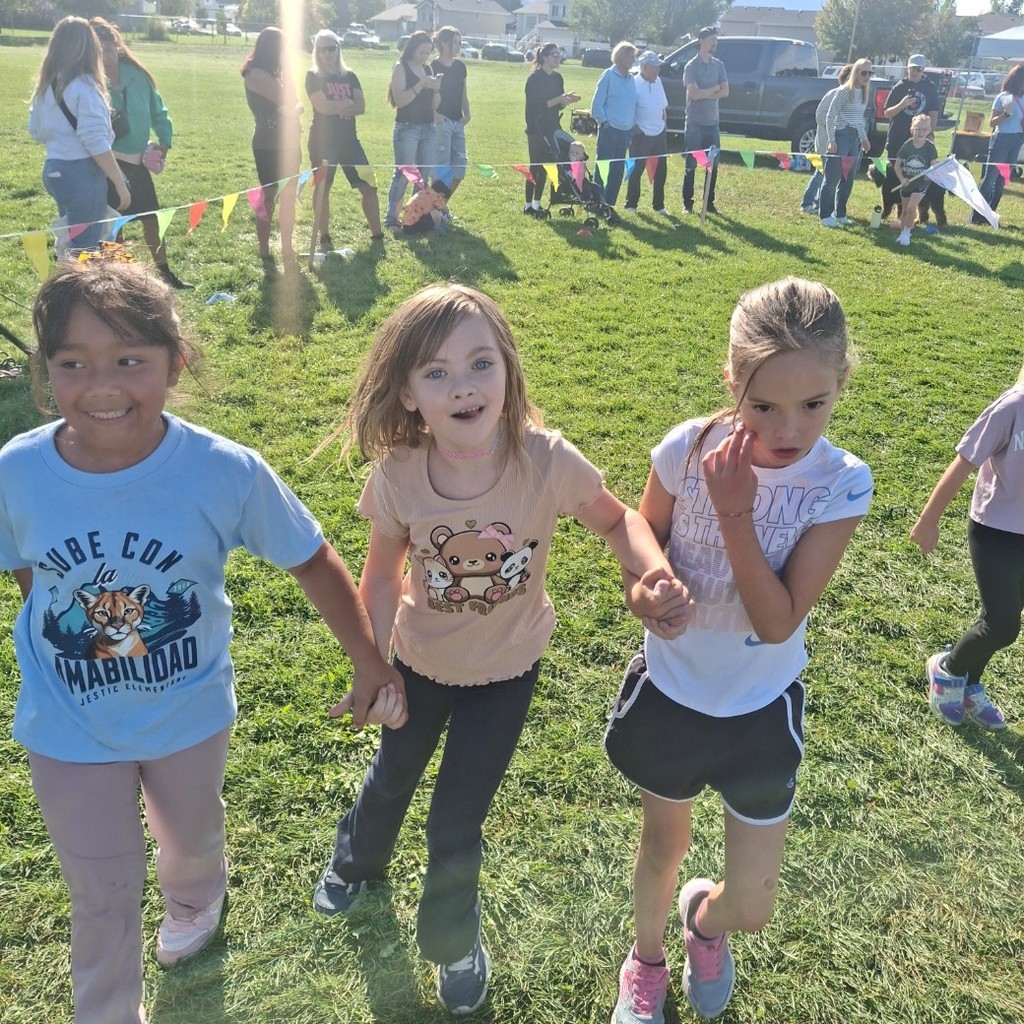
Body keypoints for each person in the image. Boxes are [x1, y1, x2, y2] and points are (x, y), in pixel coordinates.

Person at [0, 258, 405, 1024]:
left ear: (175, 362)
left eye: (130, 360)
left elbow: (311, 557)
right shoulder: (16, 471)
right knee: (102, 895)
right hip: (67, 728)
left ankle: (195, 899)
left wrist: (366, 659)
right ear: (43, 370)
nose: (102, 386)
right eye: (72, 364)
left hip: (188, 715)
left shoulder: (221, 470)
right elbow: (28, 567)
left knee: (190, 840)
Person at [311, 283, 690, 1016]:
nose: (464, 387)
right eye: (437, 372)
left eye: (481, 363)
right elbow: (381, 576)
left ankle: (454, 945)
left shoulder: (546, 461)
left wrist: (653, 567)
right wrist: (375, 663)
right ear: (409, 394)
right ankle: (356, 860)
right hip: (418, 666)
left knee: (455, 820)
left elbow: (618, 523)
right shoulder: (397, 477)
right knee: (391, 779)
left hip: (507, 674)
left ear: (509, 371)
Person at [606, 277, 872, 1024]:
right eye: (763, 407)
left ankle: (705, 925)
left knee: (752, 905)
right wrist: (645, 591)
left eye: (813, 404)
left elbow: (779, 619)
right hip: (673, 693)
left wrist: (733, 512)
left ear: (841, 381)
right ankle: (647, 959)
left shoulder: (841, 482)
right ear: (731, 382)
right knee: (664, 845)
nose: (788, 427)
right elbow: (641, 541)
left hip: (761, 707)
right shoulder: (686, 447)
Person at [910, 375, 1024, 731]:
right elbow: (964, 462)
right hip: (997, 531)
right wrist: (929, 520)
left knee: (1003, 616)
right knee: (1003, 625)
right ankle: (948, 670)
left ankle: (971, 681)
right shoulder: (1012, 407)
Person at [89, 18, 191, 289]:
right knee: (114, 225)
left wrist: (164, 143)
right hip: (108, 163)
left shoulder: (138, 76)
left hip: (137, 162)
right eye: (97, 51)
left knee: (151, 219)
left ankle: (164, 272)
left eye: (108, 48)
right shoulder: (90, 82)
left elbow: (159, 112)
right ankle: (117, 278)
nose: (105, 55)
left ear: (117, 46)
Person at [28, 16, 131, 254]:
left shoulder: (46, 87)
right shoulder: (84, 88)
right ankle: (71, 290)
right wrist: (119, 181)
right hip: (81, 173)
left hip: (54, 169)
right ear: (90, 48)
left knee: (70, 240)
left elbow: (35, 130)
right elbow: (95, 141)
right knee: (85, 248)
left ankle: (63, 285)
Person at [305, 29, 383, 250]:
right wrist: (345, 103)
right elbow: (322, 107)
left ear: (338, 48)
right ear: (317, 52)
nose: (327, 53)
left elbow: (361, 107)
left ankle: (377, 235)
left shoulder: (350, 76)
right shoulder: (313, 76)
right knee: (323, 188)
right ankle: (324, 235)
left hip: (350, 142)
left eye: (331, 48)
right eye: (322, 49)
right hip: (322, 141)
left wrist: (335, 105)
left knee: (369, 186)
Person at [241, 27, 302, 273]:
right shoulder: (255, 74)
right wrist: (293, 109)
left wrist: (294, 109)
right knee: (268, 199)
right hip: (267, 145)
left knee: (289, 198)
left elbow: (295, 100)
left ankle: (287, 247)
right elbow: (288, 99)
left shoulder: (276, 74)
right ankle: (264, 249)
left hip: (289, 145)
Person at [384, 32, 440, 229]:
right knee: (404, 174)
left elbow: (435, 105)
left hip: (428, 127)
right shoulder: (401, 67)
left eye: (428, 53)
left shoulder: (428, 68)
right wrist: (421, 84)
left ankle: (414, 218)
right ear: (412, 48)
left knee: (424, 176)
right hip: (407, 127)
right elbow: (400, 100)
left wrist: (436, 89)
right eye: (421, 52)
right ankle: (392, 218)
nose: (424, 57)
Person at [882, 54, 939, 226]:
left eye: (918, 69)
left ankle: (916, 214)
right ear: (907, 68)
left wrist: (930, 134)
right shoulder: (899, 87)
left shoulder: (929, 87)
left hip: (920, 141)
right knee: (898, 178)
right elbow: (886, 113)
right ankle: (900, 215)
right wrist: (901, 104)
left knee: (916, 177)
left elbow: (934, 112)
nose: (914, 72)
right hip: (897, 139)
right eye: (912, 68)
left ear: (923, 70)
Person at [523, 43, 578, 216]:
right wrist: (558, 99)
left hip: (553, 126)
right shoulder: (534, 79)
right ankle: (527, 205)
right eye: (554, 54)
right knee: (535, 167)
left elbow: (557, 105)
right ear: (544, 57)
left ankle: (537, 204)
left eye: (560, 53)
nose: (558, 57)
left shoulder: (557, 78)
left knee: (548, 166)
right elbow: (538, 105)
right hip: (536, 127)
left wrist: (564, 101)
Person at [819, 57, 872, 228]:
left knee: (848, 178)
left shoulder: (864, 93)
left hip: (854, 138)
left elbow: (858, 119)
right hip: (840, 135)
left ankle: (840, 212)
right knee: (833, 177)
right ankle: (825, 214)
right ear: (856, 73)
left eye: (870, 73)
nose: (867, 76)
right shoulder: (843, 91)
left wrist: (864, 138)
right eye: (864, 73)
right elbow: (830, 116)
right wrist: (831, 140)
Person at [682, 27, 728, 215]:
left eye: (716, 39)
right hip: (694, 123)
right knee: (691, 165)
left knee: (713, 165)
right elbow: (694, 94)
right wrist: (714, 89)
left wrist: (706, 91)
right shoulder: (691, 66)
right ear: (701, 40)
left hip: (713, 123)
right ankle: (687, 204)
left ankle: (709, 203)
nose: (714, 43)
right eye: (711, 39)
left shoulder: (719, 65)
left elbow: (725, 92)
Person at [973, 64, 1024, 225]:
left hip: (1017, 140)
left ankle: (990, 216)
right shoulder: (1003, 97)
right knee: (990, 179)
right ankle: (977, 216)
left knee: (1003, 180)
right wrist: (1005, 115)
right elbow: (992, 122)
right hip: (1001, 140)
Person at [591, 41, 638, 206]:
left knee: (618, 169)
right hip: (609, 130)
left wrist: (631, 126)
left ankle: (609, 203)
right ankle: (597, 201)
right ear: (621, 57)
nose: (633, 60)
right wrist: (604, 123)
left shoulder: (632, 79)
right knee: (603, 167)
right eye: (631, 57)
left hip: (626, 131)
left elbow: (632, 104)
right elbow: (596, 105)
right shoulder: (608, 76)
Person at [800, 64, 852, 215]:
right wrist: (837, 124)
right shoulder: (834, 94)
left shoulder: (853, 97)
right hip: (826, 141)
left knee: (828, 175)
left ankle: (818, 203)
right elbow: (820, 115)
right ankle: (807, 202)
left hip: (841, 143)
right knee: (821, 173)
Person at [624, 51, 670, 216]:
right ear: (643, 67)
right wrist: (635, 127)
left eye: (658, 67)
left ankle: (659, 205)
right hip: (641, 133)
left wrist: (664, 123)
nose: (658, 70)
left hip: (659, 133)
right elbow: (628, 108)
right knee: (637, 169)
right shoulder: (633, 83)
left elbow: (663, 106)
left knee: (661, 170)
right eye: (654, 67)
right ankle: (631, 204)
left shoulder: (658, 82)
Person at [431, 26, 471, 201]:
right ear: (443, 43)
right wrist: (434, 114)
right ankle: (435, 209)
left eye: (459, 42)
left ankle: (440, 205)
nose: (458, 46)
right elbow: (427, 96)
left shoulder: (461, 67)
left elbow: (463, 93)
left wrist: (467, 114)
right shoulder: (432, 66)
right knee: (442, 168)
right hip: (441, 123)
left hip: (458, 122)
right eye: (455, 42)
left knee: (460, 167)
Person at [894, 114, 939, 246]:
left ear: (929, 130)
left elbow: (933, 165)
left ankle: (907, 234)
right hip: (907, 182)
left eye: (925, 129)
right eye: (918, 129)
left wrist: (929, 173)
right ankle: (903, 233)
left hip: (921, 183)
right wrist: (902, 179)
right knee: (905, 210)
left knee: (912, 207)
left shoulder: (930, 147)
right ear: (912, 129)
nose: (921, 132)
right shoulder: (907, 145)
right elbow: (897, 165)